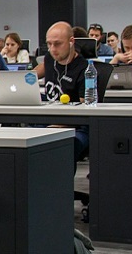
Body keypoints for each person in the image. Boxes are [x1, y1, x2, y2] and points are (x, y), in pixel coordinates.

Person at [32, 21, 91, 161]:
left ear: (71, 42)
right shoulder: (49, 59)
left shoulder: (84, 69)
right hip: (48, 119)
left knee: (57, 146)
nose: (52, 49)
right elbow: (29, 77)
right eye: (49, 44)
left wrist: (58, 125)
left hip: (75, 126)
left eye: (57, 44)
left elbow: (84, 112)